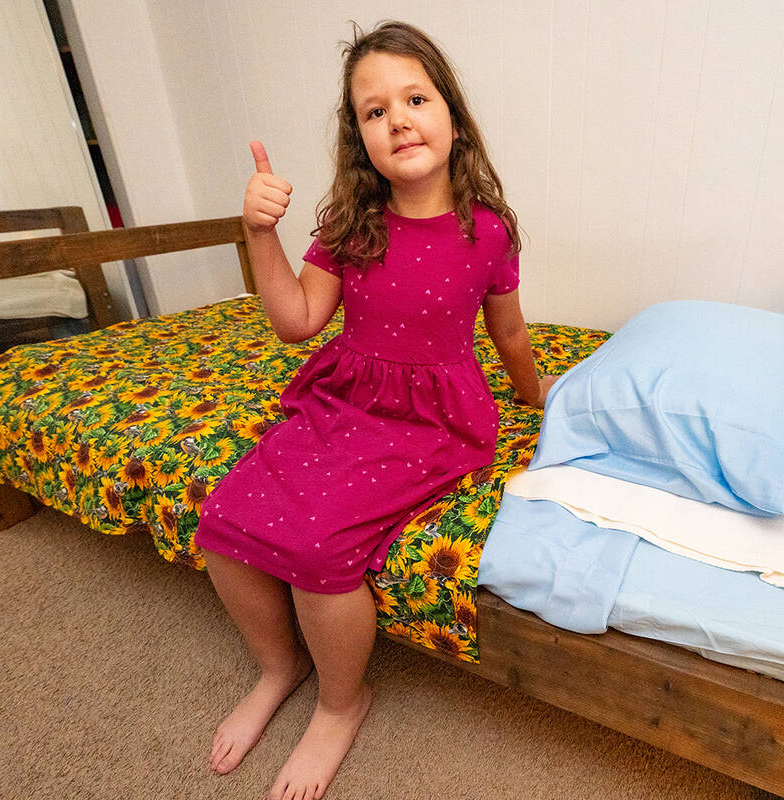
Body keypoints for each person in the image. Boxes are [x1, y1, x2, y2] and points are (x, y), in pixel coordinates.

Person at [194, 20, 556, 800]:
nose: (397, 118)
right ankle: (279, 666)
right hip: (347, 398)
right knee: (224, 522)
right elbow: (295, 321)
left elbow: (512, 331)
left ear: (450, 114)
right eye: (374, 110)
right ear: (360, 138)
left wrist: (537, 396)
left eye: (415, 98)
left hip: (434, 420)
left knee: (323, 552)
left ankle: (341, 699)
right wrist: (260, 232)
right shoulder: (348, 224)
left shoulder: (486, 229)